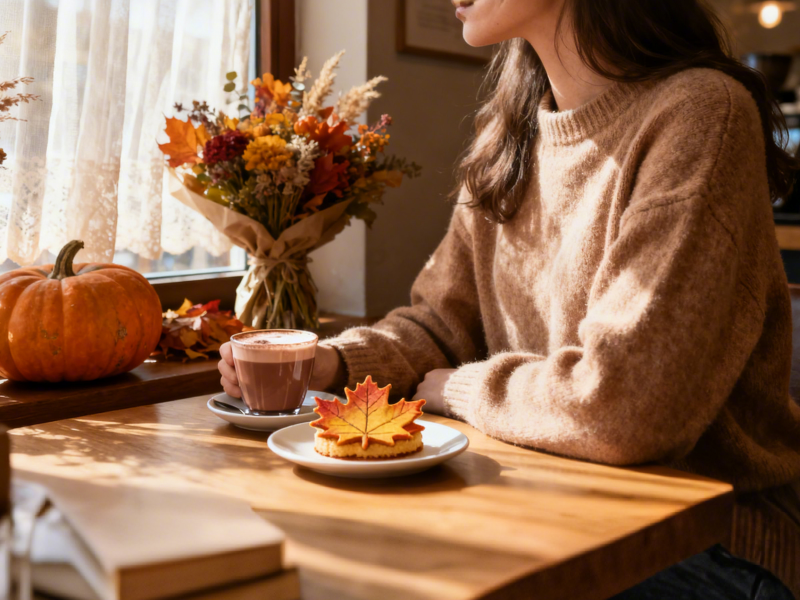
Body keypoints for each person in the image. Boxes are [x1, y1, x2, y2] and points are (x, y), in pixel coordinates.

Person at [219, 0, 800, 596]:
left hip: (711, 545)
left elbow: (626, 407)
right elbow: (444, 325)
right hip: (547, 505)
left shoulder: (701, 113)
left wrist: (465, 389)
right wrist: (333, 363)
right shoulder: (509, 136)